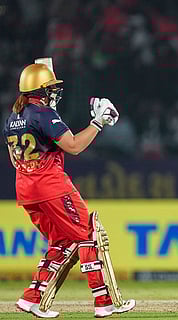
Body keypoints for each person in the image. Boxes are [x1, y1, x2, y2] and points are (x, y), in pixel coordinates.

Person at [3, 59, 136, 318]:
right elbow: (74, 146)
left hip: (26, 190)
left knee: (62, 242)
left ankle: (32, 298)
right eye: (50, 88)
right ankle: (103, 301)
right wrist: (97, 123)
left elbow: (14, 159)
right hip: (52, 187)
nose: (54, 93)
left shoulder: (13, 117)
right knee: (88, 235)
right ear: (39, 91)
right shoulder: (43, 114)